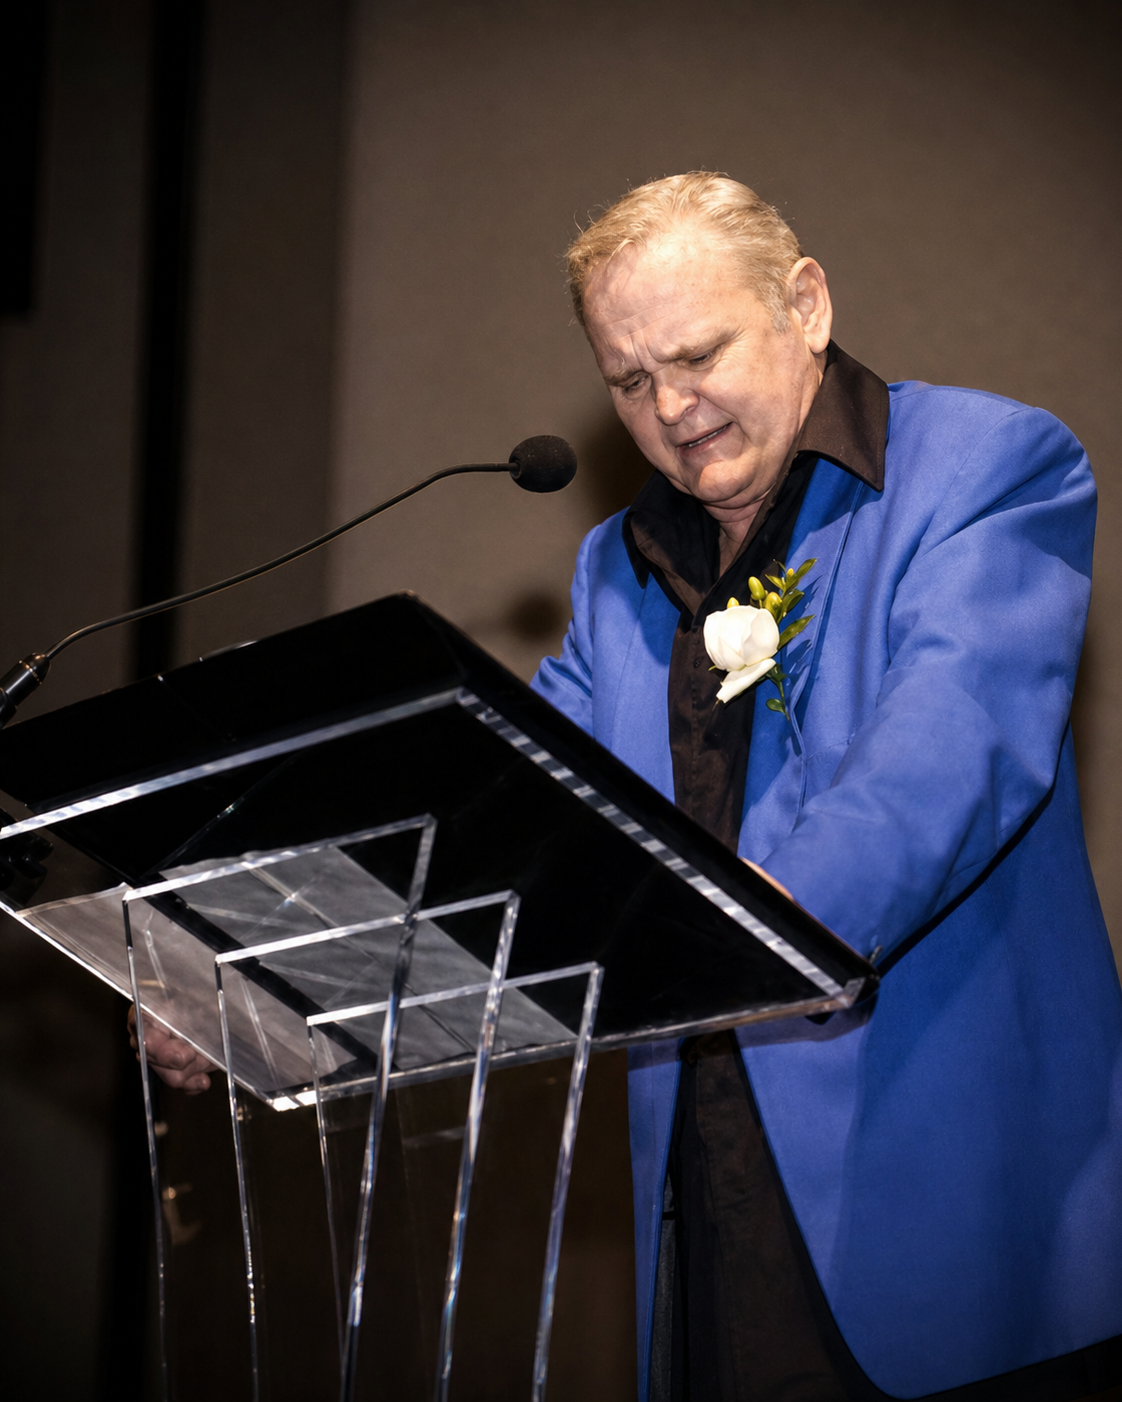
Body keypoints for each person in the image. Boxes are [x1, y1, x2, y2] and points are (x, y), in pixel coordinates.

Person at [530, 173, 1122, 1400]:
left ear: (805, 305)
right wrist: (275, 988)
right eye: (629, 382)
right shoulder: (617, 570)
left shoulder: (985, 465)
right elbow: (514, 817)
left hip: (946, 1204)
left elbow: (951, 751)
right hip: (709, 1206)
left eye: (698, 355)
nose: (670, 408)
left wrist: (757, 922)